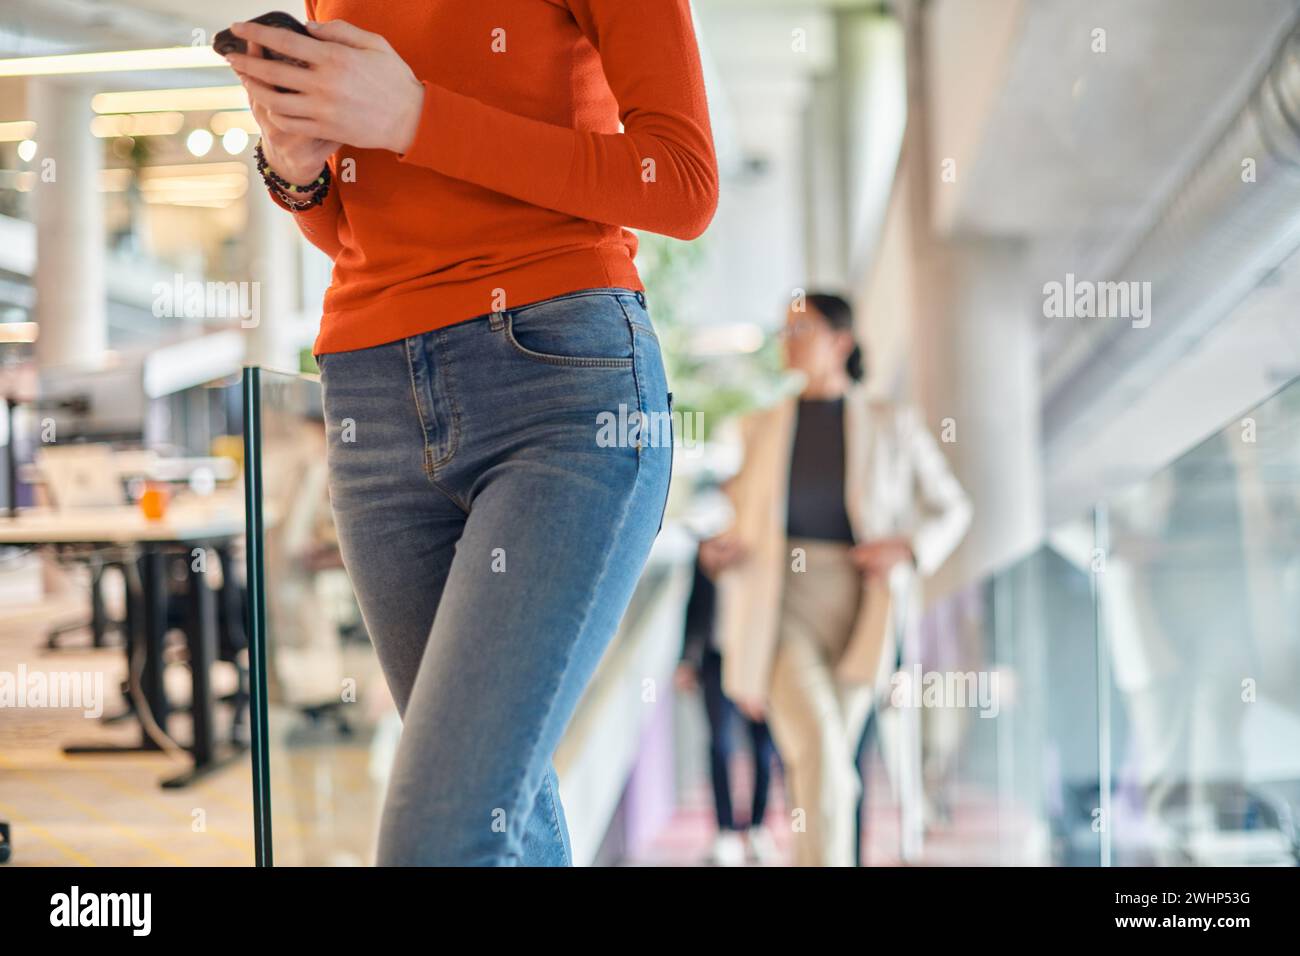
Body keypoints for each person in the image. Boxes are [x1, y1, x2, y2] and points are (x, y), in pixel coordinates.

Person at [222, 1, 717, 865]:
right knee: (499, 817)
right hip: (371, 399)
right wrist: (296, 170)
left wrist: (416, 116)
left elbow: (681, 183)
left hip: (559, 392)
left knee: (436, 836)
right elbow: (358, 234)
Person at [709, 293, 970, 866]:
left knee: (824, 769)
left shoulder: (890, 422)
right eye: (784, 330)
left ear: (841, 343)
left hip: (863, 610)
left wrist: (908, 547)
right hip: (781, 609)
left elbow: (953, 508)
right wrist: (722, 551)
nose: (789, 341)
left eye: (802, 329)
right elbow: (741, 522)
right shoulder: (759, 428)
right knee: (825, 758)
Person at [676, 553, 778, 865]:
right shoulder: (709, 547)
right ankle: (725, 831)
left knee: (763, 746)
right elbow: (695, 605)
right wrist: (687, 659)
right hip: (715, 659)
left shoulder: (762, 543)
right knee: (719, 743)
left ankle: (758, 828)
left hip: (758, 659)